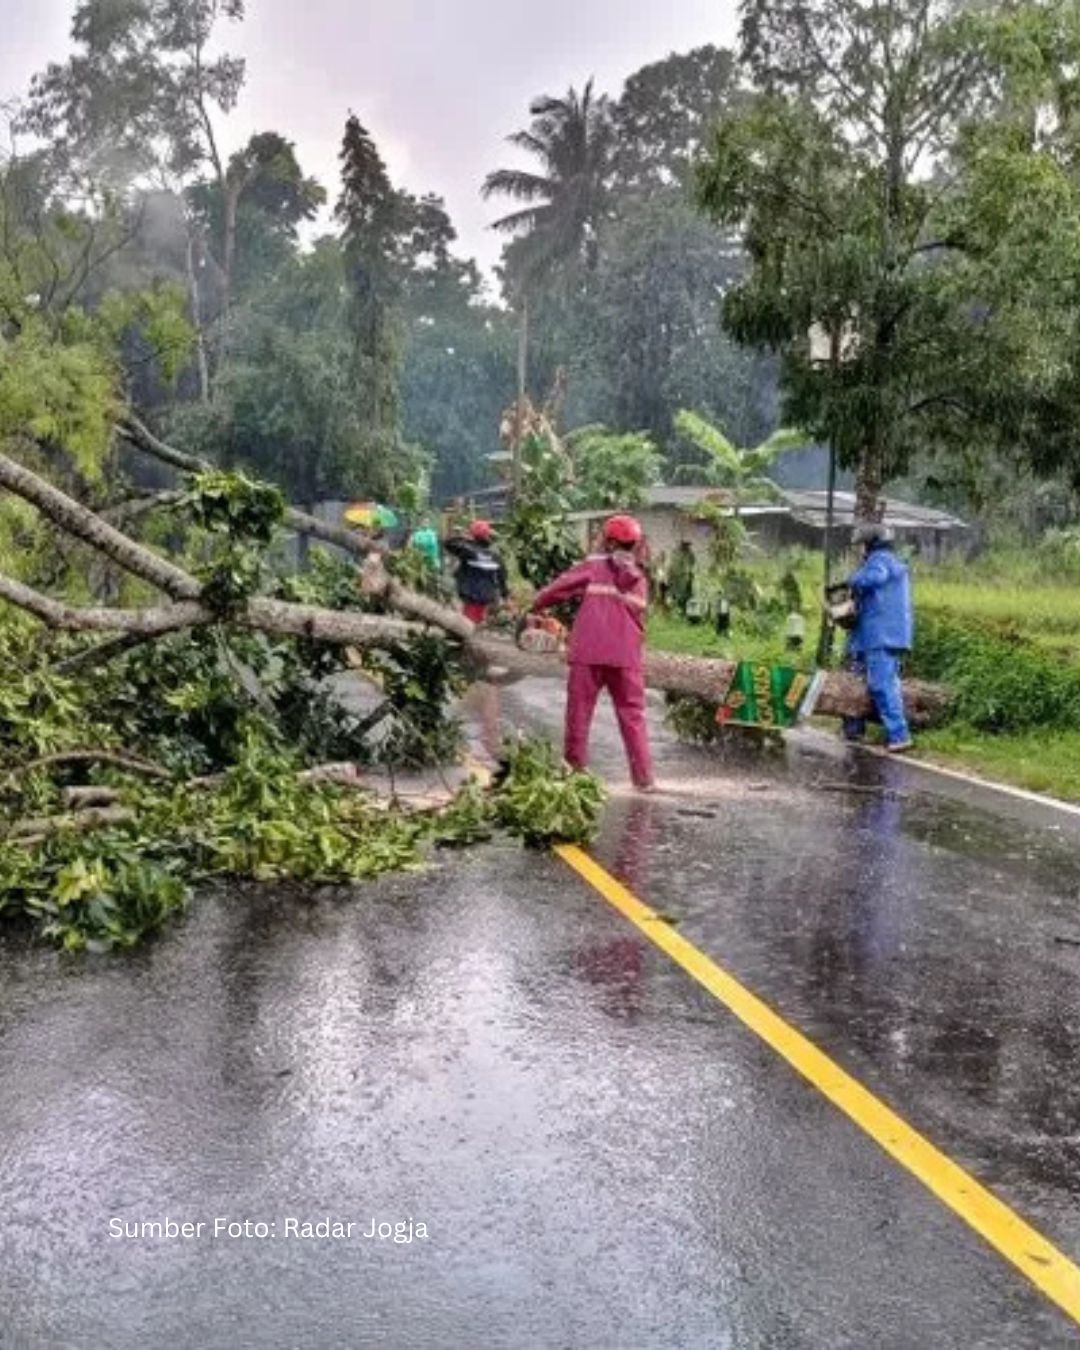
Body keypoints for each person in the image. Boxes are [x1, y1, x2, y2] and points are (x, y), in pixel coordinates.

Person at [530, 514, 655, 790]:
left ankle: (574, 775)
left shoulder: (594, 565)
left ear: (610, 542)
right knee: (633, 717)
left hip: (589, 651)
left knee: (579, 713)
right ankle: (644, 779)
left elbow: (557, 589)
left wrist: (535, 604)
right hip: (626, 656)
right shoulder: (641, 577)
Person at [842, 521, 914, 752]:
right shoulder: (892, 561)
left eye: (862, 544)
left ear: (871, 543)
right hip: (873, 634)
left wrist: (851, 580)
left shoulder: (879, 560)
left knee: (882, 684)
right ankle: (853, 730)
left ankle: (899, 734)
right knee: (855, 680)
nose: (860, 549)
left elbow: (875, 578)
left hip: (880, 634)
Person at [444, 519, 509, 625]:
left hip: (469, 595)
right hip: (486, 596)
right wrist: (505, 595)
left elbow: (448, 543)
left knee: (468, 623)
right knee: (478, 621)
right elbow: (502, 578)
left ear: (472, 535)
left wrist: (465, 537)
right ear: (488, 536)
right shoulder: (495, 556)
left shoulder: (468, 551)